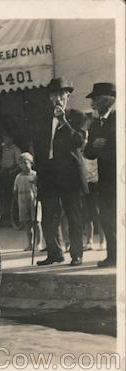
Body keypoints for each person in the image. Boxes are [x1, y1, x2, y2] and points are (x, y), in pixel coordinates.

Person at [33, 78, 88, 266]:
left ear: (68, 96)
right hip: (49, 175)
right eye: (54, 94)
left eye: (61, 94)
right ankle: (54, 253)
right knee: (49, 215)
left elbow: (79, 142)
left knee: (73, 215)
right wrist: (37, 172)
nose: (58, 98)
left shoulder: (78, 116)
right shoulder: (42, 120)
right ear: (50, 97)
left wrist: (65, 121)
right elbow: (39, 147)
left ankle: (77, 254)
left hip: (69, 175)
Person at [84, 82, 116, 267]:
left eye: (95, 99)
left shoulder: (118, 118)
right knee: (106, 217)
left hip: (119, 178)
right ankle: (113, 255)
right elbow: (88, 151)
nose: (92, 103)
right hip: (105, 180)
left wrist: (103, 145)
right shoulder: (96, 124)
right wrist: (96, 145)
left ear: (107, 99)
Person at [13, 152, 41, 251]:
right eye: (21, 163)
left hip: (34, 201)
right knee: (27, 224)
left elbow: (39, 188)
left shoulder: (35, 175)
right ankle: (30, 243)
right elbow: (15, 191)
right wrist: (18, 201)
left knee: (36, 222)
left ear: (31, 163)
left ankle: (39, 243)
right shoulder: (18, 177)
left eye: (25, 163)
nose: (23, 165)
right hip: (23, 201)